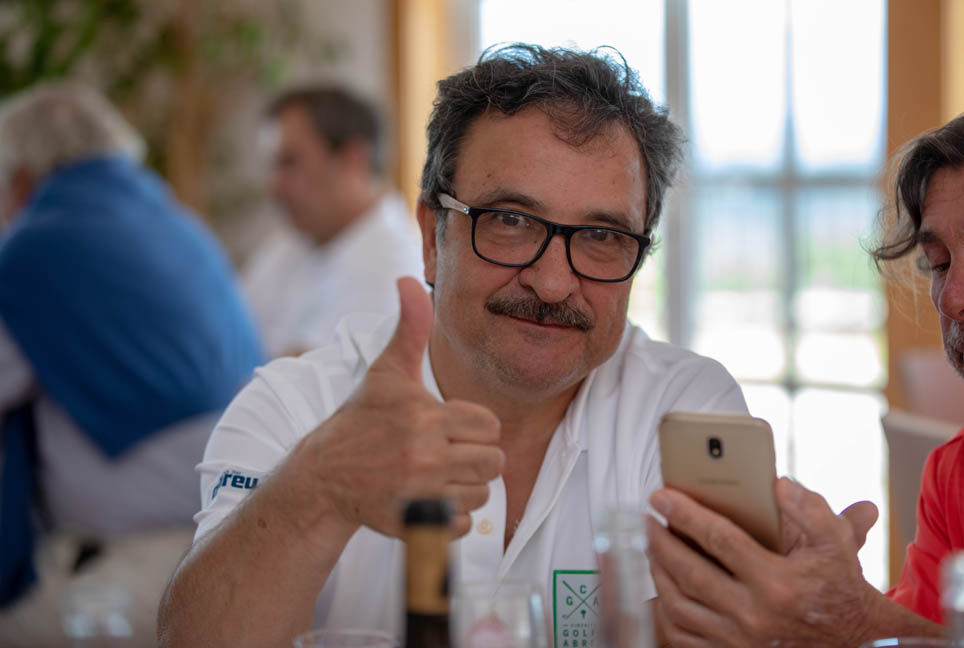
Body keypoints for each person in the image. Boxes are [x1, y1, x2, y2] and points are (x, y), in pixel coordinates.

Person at [157, 44, 748, 647]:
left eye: (601, 235)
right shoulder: (295, 411)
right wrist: (318, 489)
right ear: (431, 238)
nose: (552, 283)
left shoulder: (686, 414)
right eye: (511, 221)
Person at [646, 94, 964, 646]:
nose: (953, 299)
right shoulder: (961, 471)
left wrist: (855, 620)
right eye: (940, 263)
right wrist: (810, 612)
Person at [0, 83, 264, 644]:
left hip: (146, 561)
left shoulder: (33, 249)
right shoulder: (181, 226)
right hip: (234, 529)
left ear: (21, 177)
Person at [243, 85, 424, 357]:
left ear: (353, 159)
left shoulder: (392, 268)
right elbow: (228, 333)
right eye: (273, 166)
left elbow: (305, 376)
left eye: (289, 162)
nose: (274, 186)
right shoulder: (290, 242)